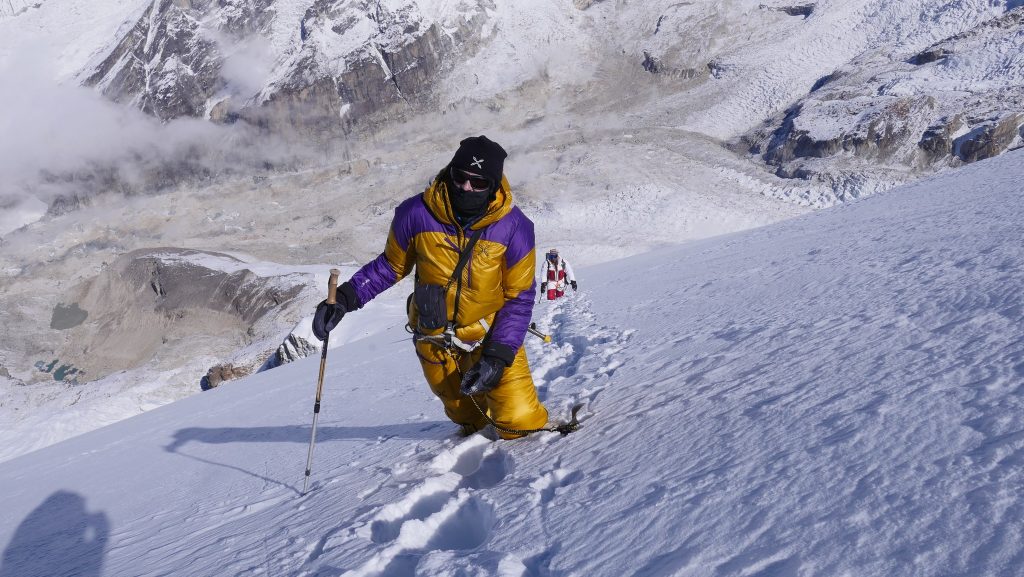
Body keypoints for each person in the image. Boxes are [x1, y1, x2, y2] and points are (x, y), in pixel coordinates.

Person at [311, 136, 548, 438]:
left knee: (521, 422)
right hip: (433, 337)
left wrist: (498, 356)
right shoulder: (415, 213)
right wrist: (344, 298)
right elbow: (390, 266)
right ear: (450, 172)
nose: (466, 187)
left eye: (478, 183)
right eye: (460, 177)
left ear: (493, 187)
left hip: (488, 334)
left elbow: (519, 298)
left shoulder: (515, 228)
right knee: (468, 418)